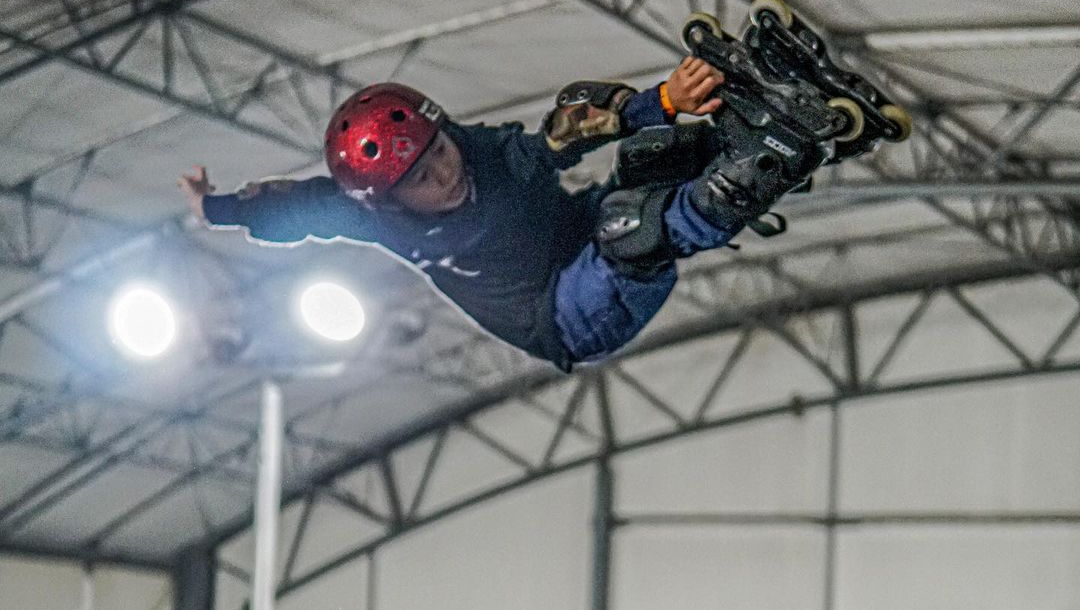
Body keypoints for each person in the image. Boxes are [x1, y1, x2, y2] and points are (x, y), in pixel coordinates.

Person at [178, 53, 827, 372]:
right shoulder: (367, 216)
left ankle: (747, 136)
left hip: (580, 230)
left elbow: (569, 132)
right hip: (565, 320)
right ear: (385, 199)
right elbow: (290, 209)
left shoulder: (486, 153)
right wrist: (216, 207)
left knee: (648, 163)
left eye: (440, 149)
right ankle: (758, 173)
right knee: (633, 226)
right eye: (420, 177)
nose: (445, 170)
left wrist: (667, 97)